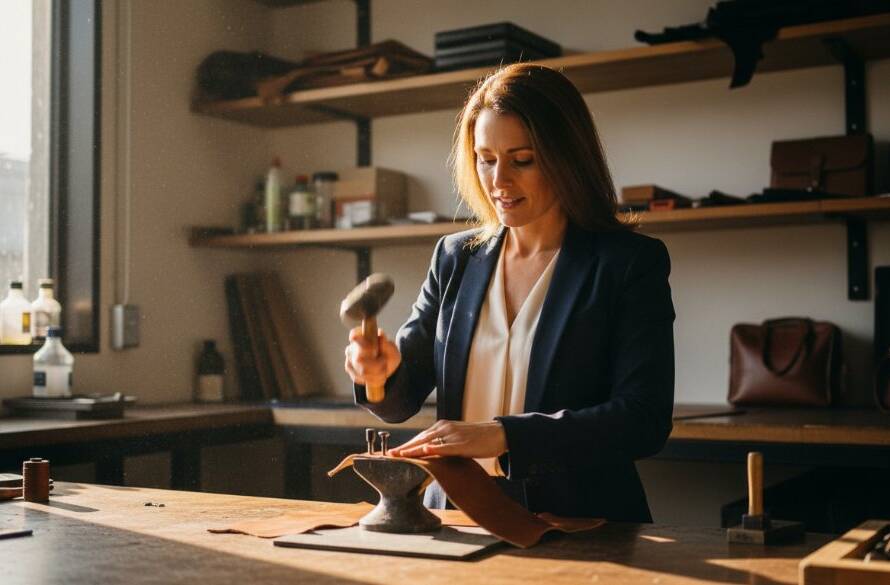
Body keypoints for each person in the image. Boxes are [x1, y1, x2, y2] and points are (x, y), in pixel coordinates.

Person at [344, 63, 675, 522]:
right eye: (485, 158)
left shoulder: (628, 263)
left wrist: (504, 436)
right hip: (457, 517)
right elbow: (399, 402)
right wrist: (377, 374)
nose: (499, 181)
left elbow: (643, 420)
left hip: (581, 521)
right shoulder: (455, 257)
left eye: (523, 160)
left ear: (567, 158)